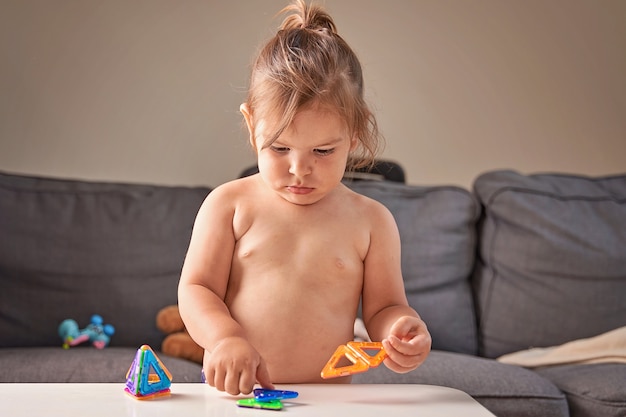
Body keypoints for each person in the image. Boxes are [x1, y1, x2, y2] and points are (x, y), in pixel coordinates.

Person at [177, 0, 431, 396]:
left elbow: (384, 308)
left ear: (355, 133)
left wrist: (401, 328)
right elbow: (196, 290)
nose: (299, 169)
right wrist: (225, 338)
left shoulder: (371, 221)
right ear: (251, 124)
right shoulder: (228, 205)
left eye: (323, 151)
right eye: (279, 149)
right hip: (235, 394)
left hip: (330, 398)